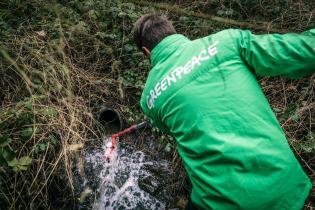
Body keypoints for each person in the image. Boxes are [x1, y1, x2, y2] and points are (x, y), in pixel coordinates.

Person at [133, 14, 314, 210]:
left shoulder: (149, 98)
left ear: (147, 52)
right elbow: (301, 51)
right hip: (283, 187)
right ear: (174, 33)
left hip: (221, 204)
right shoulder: (227, 41)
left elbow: (174, 130)